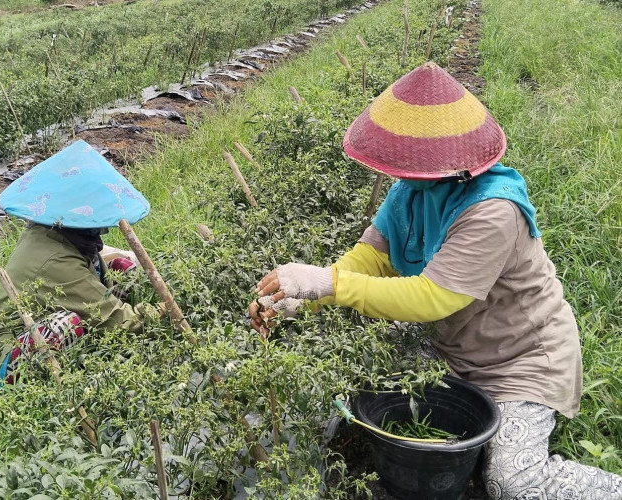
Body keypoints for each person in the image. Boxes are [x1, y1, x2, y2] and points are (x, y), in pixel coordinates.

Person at [249, 63, 622, 499]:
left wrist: (327, 284)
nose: (397, 172)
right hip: (451, 346)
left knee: (511, 483)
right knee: (357, 364)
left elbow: (431, 298)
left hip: (518, 362)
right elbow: (372, 258)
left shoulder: (492, 212)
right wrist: (301, 297)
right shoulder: (412, 189)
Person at [0, 140, 161, 386]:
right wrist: (162, 314)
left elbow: (104, 272)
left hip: (42, 317)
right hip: (3, 354)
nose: (102, 229)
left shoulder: (59, 234)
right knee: (64, 326)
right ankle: (21, 388)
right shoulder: (56, 260)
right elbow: (114, 318)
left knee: (121, 269)